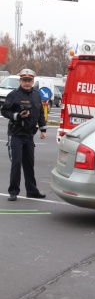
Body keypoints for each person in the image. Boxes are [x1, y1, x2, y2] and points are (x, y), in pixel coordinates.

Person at [1, 68, 47, 201]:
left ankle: (32, 191)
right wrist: (17, 116)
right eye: (24, 80)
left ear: (33, 81)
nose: (27, 83)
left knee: (29, 164)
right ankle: (13, 191)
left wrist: (43, 129)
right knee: (16, 163)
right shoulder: (14, 95)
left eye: (29, 80)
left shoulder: (37, 95)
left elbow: (40, 114)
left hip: (29, 135)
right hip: (16, 134)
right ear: (20, 81)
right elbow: (4, 111)